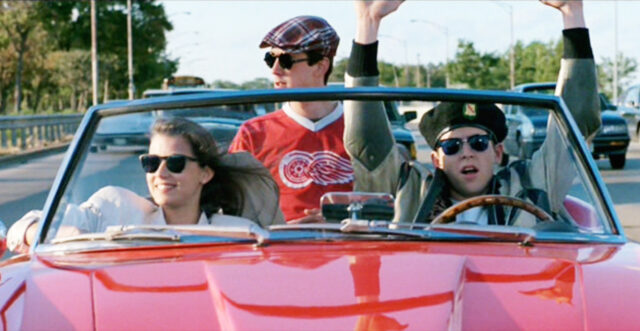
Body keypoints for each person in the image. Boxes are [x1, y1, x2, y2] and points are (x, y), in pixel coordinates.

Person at [344, 0, 600, 225]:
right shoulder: (411, 192)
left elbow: (575, 125)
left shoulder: (530, 186)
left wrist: (572, 11)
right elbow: (368, 142)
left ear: (498, 152)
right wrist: (368, 23)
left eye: (478, 143)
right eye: (452, 146)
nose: (466, 153)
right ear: (436, 160)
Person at [7, 117, 284, 253]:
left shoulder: (239, 235)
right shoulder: (113, 207)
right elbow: (22, 228)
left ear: (205, 174)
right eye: (151, 162)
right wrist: (70, 234)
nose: (160, 172)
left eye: (175, 163)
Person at [228, 16, 351, 223]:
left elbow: (385, 198)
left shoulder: (359, 131)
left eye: (285, 61)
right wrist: (285, 228)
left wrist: (342, 220)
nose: (275, 70)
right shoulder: (253, 133)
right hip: (278, 248)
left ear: (320, 67)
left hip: (355, 247)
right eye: (270, 59)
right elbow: (232, 208)